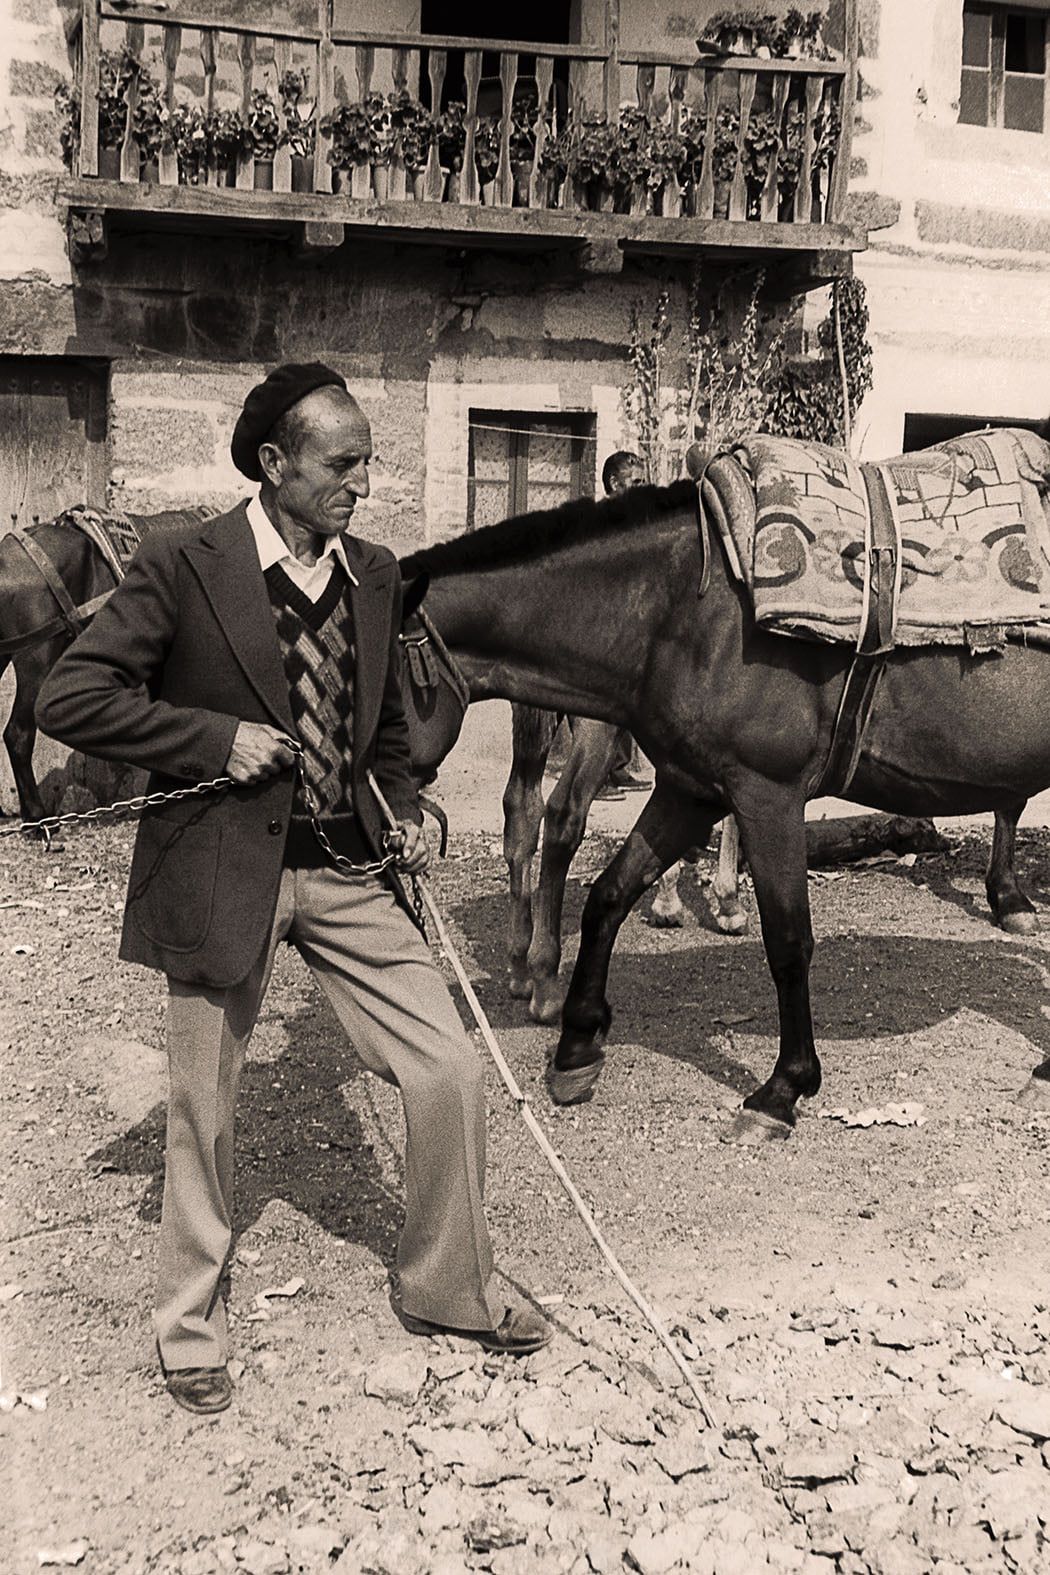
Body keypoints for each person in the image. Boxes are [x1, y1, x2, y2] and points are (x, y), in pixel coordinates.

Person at [36, 363, 551, 1416]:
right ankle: (189, 1327)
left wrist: (405, 804)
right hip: (223, 869)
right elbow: (70, 692)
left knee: (449, 1067)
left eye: (367, 461)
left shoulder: (373, 570)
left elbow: (389, 723)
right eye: (341, 463)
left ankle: (447, 1284)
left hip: (350, 870)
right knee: (203, 1107)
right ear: (273, 464)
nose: (361, 481)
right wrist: (210, 742)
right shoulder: (187, 563)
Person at [594, 450, 652, 800]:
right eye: (636, 483)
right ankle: (594, 779)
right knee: (599, 704)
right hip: (601, 623)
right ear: (615, 485)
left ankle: (617, 769)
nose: (643, 489)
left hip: (628, 622)